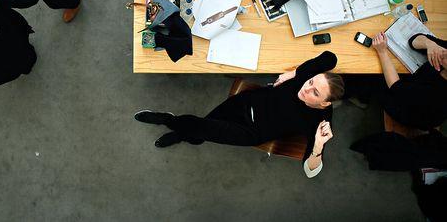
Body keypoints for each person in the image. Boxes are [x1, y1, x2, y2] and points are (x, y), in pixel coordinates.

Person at [135, 51, 345, 177]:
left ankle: (168, 120)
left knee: (201, 127)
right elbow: (330, 58)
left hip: (249, 131)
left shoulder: (320, 122)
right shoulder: (310, 77)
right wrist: (293, 74)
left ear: (325, 103)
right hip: (245, 102)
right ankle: (183, 133)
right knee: (201, 131)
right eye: (310, 82)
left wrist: (318, 146)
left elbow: (311, 171)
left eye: (315, 92)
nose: (306, 89)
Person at [372, 31, 447, 130]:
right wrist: (430, 44)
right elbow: (413, 40)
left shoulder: (437, 96)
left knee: (372, 77)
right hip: (413, 84)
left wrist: (382, 51)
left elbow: (396, 88)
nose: (444, 52)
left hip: (408, 110)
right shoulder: (444, 52)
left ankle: (361, 98)